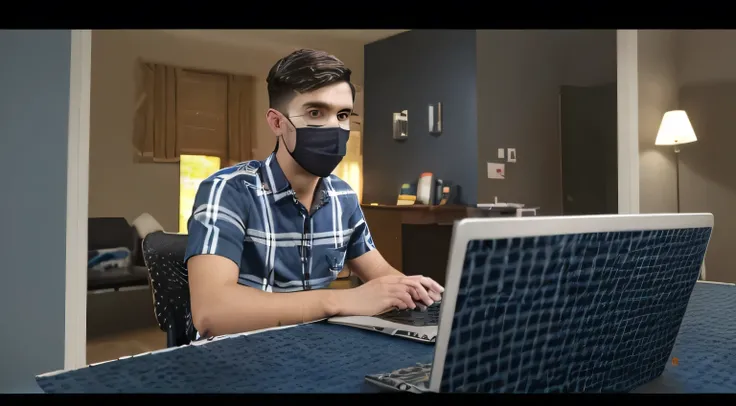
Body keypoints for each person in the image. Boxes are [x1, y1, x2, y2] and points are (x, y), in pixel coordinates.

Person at [185, 49, 444, 338]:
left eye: (343, 114)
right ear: (277, 122)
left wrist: (415, 291)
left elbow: (381, 274)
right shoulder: (228, 190)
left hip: (317, 350)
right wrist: (341, 300)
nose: (333, 127)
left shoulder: (343, 197)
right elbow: (211, 312)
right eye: (315, 112)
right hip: (241, 356)